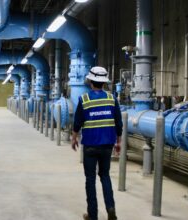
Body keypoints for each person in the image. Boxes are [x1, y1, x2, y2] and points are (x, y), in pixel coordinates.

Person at [72, 66, 123, 220]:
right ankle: (110, 207)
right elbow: (119, 123)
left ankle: (92, 215)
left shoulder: (84, 99)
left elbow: (77, 122)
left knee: (90, 179)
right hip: (107, 144)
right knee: (105, 176)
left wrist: (74, 137)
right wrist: (118, 142)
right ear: (104, 83)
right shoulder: (111, 98)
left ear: (90, 81)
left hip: (90, 146)